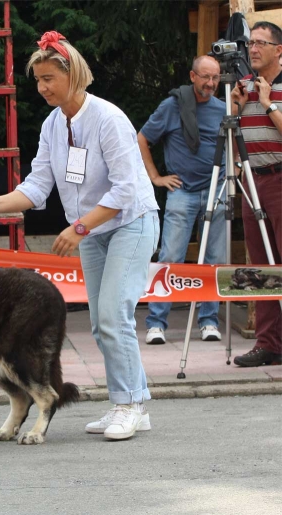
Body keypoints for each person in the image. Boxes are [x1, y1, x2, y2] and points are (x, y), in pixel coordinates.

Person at [0, 31, 160, 440]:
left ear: (72, 74)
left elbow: (126, 189)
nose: (42, 88)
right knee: (101, 321)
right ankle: (132, 402)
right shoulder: (54, 124)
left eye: (49, 78)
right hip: (92, 230)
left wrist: (78, 227)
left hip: (131, 223)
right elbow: (37, 188)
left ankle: (128, 405)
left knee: (113, 316)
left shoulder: (108, 118)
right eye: (37, 80)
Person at [140, 55, 227, 345]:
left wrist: (234, 168)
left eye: (215, 78)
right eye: (205, 77)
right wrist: (156, 177)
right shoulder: (172, 106)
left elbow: (231, 142)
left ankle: (209, 321)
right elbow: (142, 139)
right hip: (182, 191)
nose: (210, 83)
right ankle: (156, 323)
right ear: (192, 76)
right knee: (170, 257)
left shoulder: (223, 108)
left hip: (216, 189)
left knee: (214, 259)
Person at [231, 21, 282, 367]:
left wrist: (267, 105)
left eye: (262, 43)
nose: (253, 49)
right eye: (251, 43)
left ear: (279, 50)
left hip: (279, 178)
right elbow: (232, 139)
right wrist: (236, 107)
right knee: (260, 266)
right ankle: (269, 344)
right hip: (251, 181)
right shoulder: (243, 87)